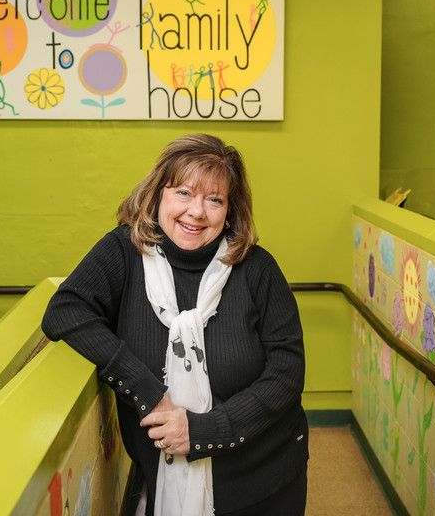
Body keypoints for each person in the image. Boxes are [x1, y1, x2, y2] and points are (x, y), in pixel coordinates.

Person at [41, 134, 308, 516]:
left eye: (214, 199)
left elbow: (287, 373)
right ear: (158, 196)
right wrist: (150, 393)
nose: (196, 211)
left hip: (263, 476)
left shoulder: (257, 269)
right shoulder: (125, 251)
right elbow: (65, 310)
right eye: (183, 192)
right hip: (165, 476)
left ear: (230, 211)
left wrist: (203, 432)